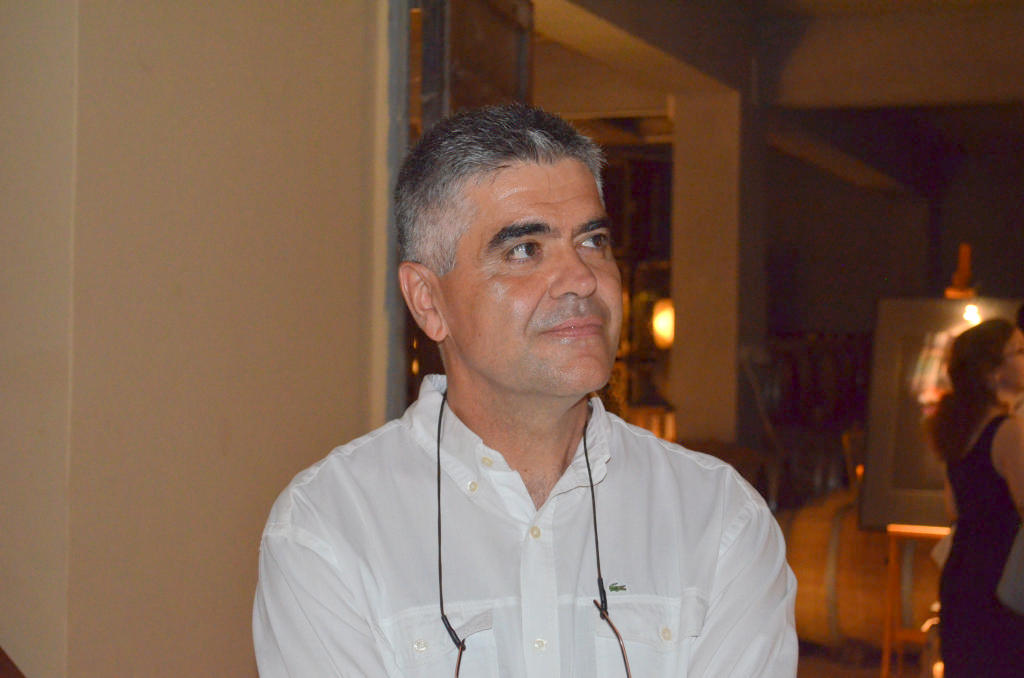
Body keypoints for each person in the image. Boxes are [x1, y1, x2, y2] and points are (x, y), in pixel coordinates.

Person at [252, 103, 797, 677]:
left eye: (593, 241)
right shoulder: (331, 528)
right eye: (524, 250)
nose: (582, 278)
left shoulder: (718, 520)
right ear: (428, 301)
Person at [926, 318, 1024, 677]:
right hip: (1000, 581)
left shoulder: (959, 430)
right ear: (991, 371)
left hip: (963, 573)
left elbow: (953, 507)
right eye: (1019, 351)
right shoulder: (1008, 431)